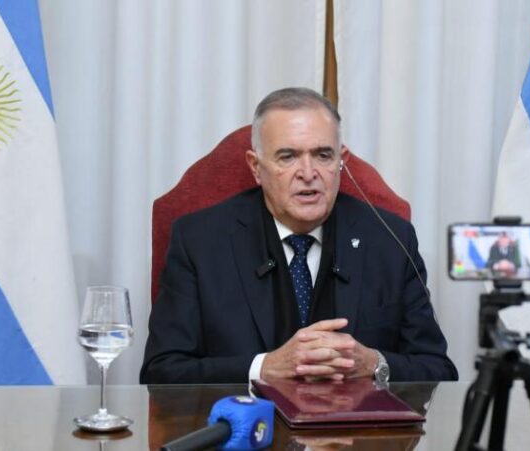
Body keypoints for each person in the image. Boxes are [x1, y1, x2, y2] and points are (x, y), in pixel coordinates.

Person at [140, 87, 457, 384]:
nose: (308, 174)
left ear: (341, 161)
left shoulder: (390, 239)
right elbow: (161, 371)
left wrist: (374, 364)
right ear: (255, 167)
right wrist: (264, 367)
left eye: (323, 155)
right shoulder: (199, 242)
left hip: (353, 424)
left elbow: (439, 370)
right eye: (288, 156)